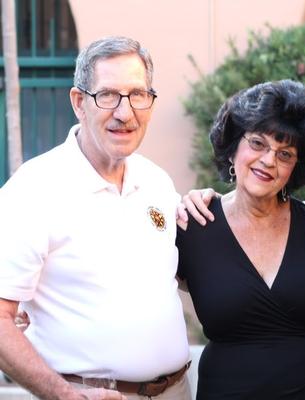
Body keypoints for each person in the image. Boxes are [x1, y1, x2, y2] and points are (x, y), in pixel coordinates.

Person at [0, 36, 192, 400]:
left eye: (138, 94)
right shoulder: (33, 189)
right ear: (78, 103)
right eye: (108, 95)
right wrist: (64, 395)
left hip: (176, 391)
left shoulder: (157, 181)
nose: (125, 112)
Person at [176, 79, 305, 399]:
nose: (268, 160)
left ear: (295, 168)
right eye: (257, 143)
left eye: (284, 153)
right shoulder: (194, 225)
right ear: (233, 147)